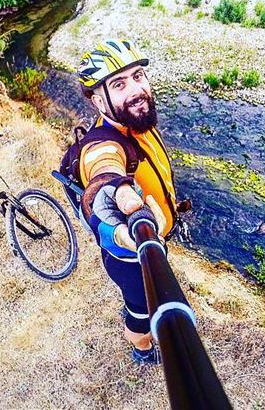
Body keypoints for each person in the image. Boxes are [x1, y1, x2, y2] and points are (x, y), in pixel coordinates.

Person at [76, 39, 185, 365]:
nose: (136, 89)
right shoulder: (102, 146)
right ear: (98, 101)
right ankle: (142, 350)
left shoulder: (137, 123)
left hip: (153, 241)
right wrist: (115, 188)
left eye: (138, 76)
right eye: (120, 84)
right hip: (130, 260)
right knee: (140, 317)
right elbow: (103, 170)